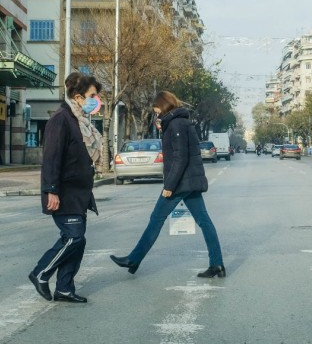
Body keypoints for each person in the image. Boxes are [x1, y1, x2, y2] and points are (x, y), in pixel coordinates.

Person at [110, 91, 224, 278]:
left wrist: (169, 187)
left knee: (156, 219)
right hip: (188, 182)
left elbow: (180, 158)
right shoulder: (178, 122)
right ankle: (217, 264)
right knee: (205, 221)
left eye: (155, 108)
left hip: (180, 184)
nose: (154, 111)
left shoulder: (177, 124)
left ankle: (133, 259)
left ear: (162, 105)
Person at [29, 72, 102, 303]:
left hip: (79, 194)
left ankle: (64, 288)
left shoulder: (79, 121)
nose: (95, 100)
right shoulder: (61, 119)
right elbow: (52, 157)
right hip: (64, 192)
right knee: (73, 238)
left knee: (78, 240)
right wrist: (51, 190)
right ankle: (41, 272)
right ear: (78, 96)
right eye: (92, 95)